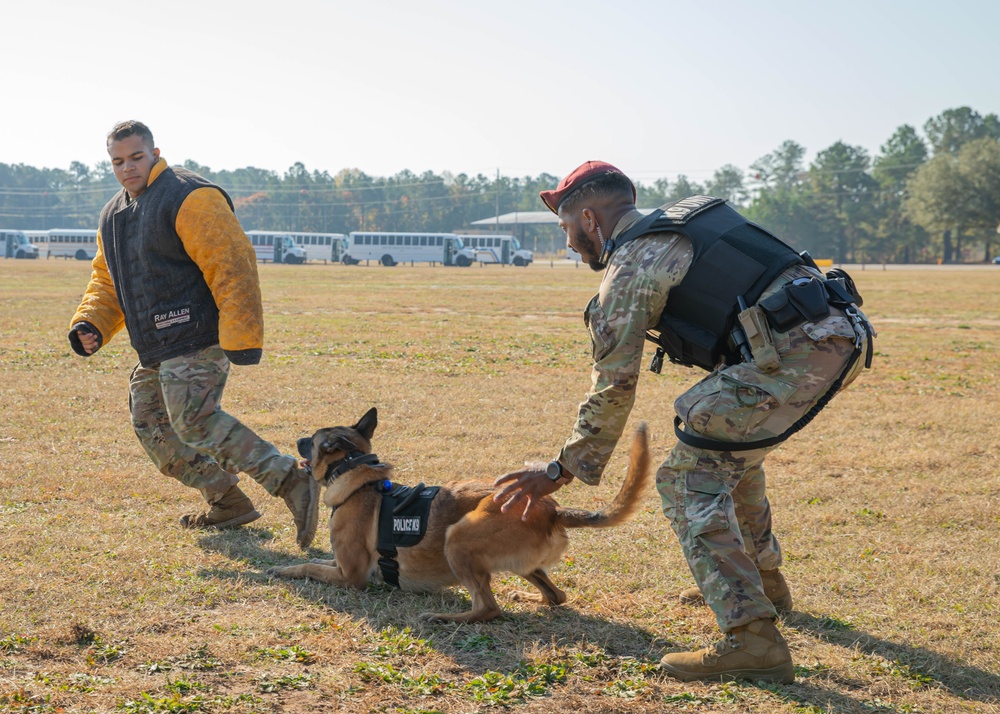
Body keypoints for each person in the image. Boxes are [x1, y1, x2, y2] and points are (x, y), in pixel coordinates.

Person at [492, 161, 873, 683]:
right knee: (725, 450)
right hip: (840, 333)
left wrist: (561, 470)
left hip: (798, 353)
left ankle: (752, 637)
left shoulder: (632, 266)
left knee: (687, 477)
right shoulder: (683, 220)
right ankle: (764, 584)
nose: (568, 243)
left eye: (566, 229)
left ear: (589, 217)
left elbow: (614, 385)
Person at [68, 120, 319, 549]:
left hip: (199, 335)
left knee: (194, 419)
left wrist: (242, 335)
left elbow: (232, 264)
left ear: (155, 153)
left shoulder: (188, 195)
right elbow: (107, 280)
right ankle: (226, 500)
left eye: (136, 157)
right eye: (117, 161)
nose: (127, 168)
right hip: (155, 345)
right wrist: (90, 323)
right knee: (151, 425)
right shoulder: (112, 216)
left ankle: (291, 480)